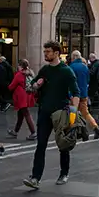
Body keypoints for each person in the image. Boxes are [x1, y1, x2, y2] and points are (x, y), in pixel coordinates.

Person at [23, 41, 79, 189]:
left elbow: (76, 92)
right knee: (41, 144)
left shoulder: (66, 71)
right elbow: (31, 88)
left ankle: (64, 173)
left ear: (56, 53)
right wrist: (36, 85)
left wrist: (73, 116)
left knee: (63, 144)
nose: (45, 54)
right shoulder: (45, 70)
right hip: (44, 112)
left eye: (48, 51)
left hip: (61, 113)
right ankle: (35, 178)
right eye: (44, 51)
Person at [69, 51, 99, 139]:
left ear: (73, 57)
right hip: (84, 93)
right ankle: (95, 127)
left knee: (73, 112)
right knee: (85, 113)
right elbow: (88, 80)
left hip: (74, 94)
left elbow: (70, 81)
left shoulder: (71, 67)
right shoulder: (85, 67)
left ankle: (74, 131)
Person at [8, 59, 37, 140]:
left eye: (18, 65)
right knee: (21, 114)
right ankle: (15, 131)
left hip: (21, 96)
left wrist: (8, 87)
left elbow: (12, 86)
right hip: (27, 95)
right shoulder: (29, 73)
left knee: (26, 113)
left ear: (20, 66)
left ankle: (33, 132)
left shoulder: (19, 74)